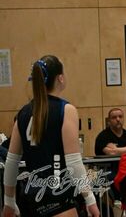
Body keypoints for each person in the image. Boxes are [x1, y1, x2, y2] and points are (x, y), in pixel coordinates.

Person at [1, 55, 100, 217]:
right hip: (58, 193)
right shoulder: (65, 110)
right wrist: (89, 198)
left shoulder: (23, 113)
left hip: (32, 197)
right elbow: (74, 162)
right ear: (60, 78)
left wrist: (9, 201)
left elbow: (11, 162)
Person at [95, 107, 126, 216]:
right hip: (109, 170)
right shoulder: (103, 136)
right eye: (114, 117)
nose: (118, 119)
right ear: (109, 120)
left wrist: (116, 149)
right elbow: (110, 153)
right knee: (118, 179)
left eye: (120, 117)